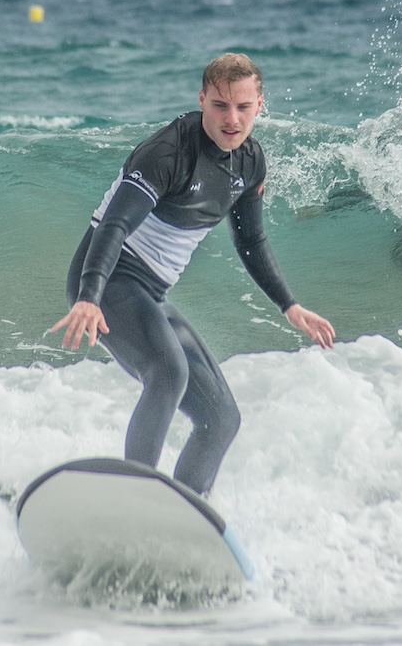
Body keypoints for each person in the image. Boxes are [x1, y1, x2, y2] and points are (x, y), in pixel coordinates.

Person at [51, 52, 336, 497]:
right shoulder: (168, 153)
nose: (231, 119)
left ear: (260, 105)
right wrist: (89, 295)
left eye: (243, 107)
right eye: (220, 105)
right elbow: (114, 225)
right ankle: (133, 496)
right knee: (168, 372)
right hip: (109, 277)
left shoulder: (250, 163)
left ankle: (185, 510)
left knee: (221, 418)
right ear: (202, 100)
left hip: (152, 291)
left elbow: (251, 239)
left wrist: (289, 305)